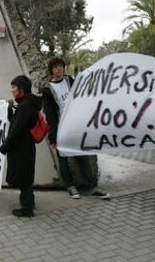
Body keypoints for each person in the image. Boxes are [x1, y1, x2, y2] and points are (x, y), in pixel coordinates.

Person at [41, 57, 110, 200]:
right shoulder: (48, 89)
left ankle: (91, 187)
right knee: (63, 159)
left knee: (82, 156)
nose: (59, 69)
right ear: (51, 70)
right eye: (55, 67)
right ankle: (70, 186)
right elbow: (50, 115)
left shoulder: (71, 81)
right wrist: (53, 136)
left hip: (75, 127)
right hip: (60, 129)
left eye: (61, 66)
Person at [0, 75, 41, 217]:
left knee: (24, 180)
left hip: (22, 149)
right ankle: (29, 204)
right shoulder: (26, 104)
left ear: (21, 89)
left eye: (13, 87)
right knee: (26, 178)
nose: (12, 90)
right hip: (25, 147)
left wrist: (4, 147)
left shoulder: (26, 106)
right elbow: (17, 122)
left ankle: (27, 209)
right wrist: (10, 110)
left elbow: (16, 130)